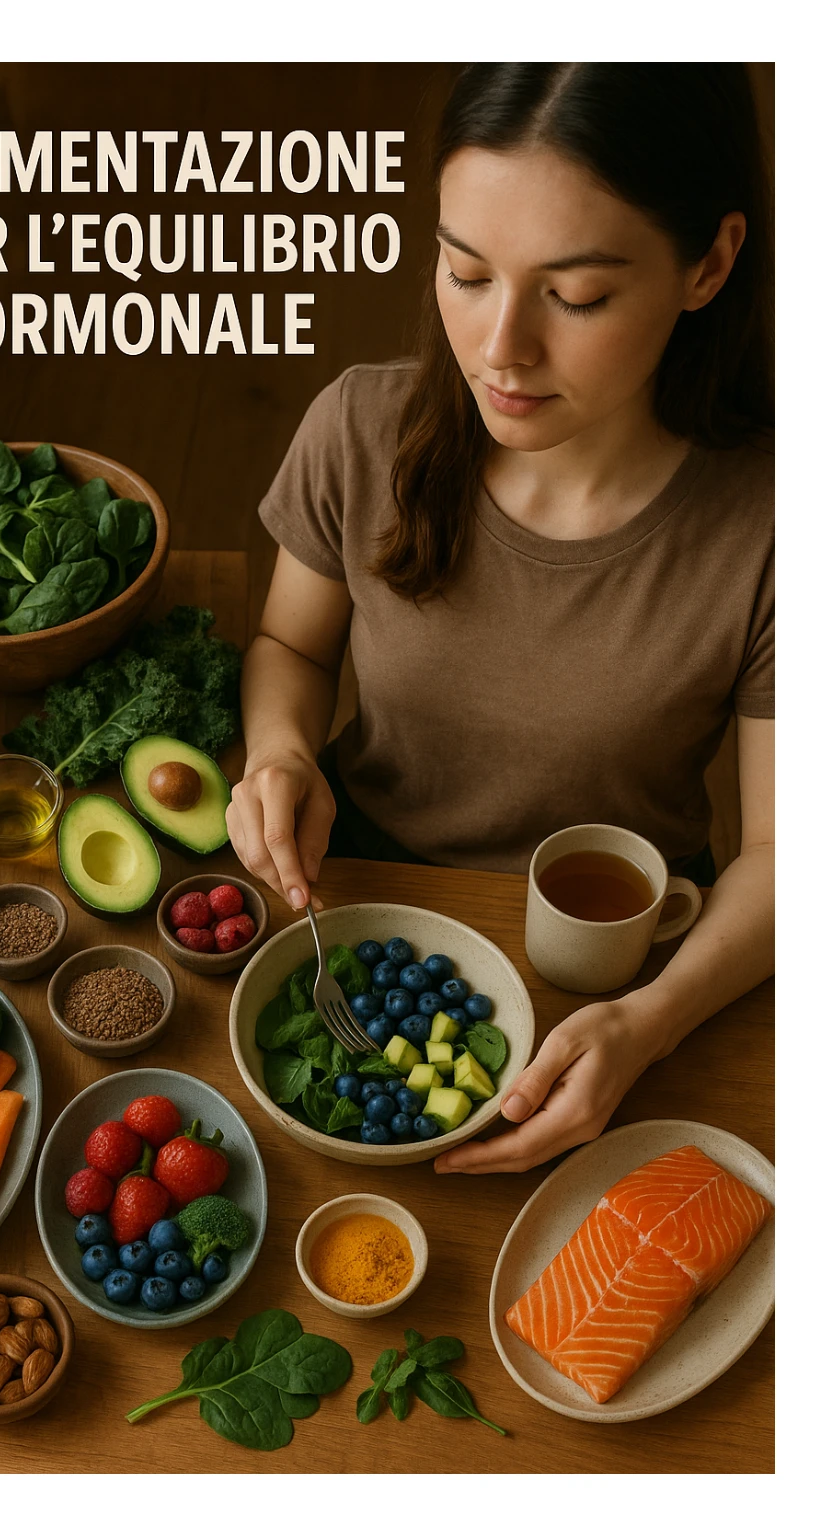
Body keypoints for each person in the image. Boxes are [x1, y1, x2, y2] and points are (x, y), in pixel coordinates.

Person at [226, 63, 774, 1175]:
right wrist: (280, 751)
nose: (499, 349)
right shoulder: (360, 427)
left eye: (574, 297)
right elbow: (289, 646)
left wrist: (651, 1022)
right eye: (464, 271)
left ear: (709, 263)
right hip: (358, 897)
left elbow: (782, 856)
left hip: (621, 954)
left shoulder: (772, 525)